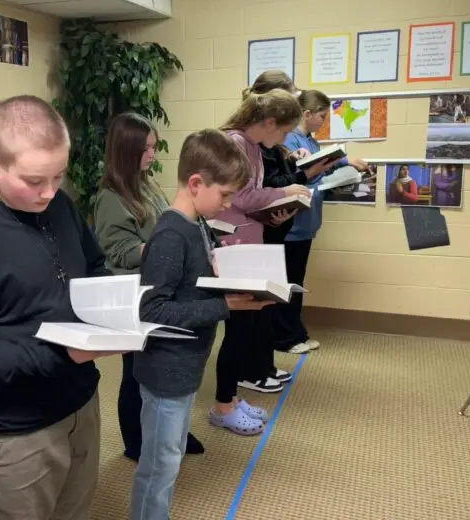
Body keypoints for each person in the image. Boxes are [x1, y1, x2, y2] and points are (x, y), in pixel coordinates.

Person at [0, 95, 121, 520]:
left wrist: (115, 307)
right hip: (13, 434)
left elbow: (91, 264)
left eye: (59, 176)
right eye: (35, 180)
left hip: (79, 404)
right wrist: (61, 353)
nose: (49, 192)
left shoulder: (60, 205)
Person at [130, 129, 273, 520]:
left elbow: (192, 286)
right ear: (196, 183)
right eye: (224, 195)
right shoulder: (170, 235)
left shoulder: (196, 226)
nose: (228, 204)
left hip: (186, 367)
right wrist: (224, 305)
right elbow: (151, 310)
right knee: (159, 466)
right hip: (165, 373)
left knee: (170, 458)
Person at [93, 112, 204, 462]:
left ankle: (172, 432)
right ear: (128, 150)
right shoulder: (111, 196)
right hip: (132, 295)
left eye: (154, 147)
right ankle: (135, 443)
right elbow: (119, 251)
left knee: (159, 370)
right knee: (135, 372)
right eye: (148, 148)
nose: (154, 155)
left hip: (156, 288)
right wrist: (166, 248)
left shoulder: (146, 183)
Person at [209, 89, 309, 439]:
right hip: (233, 242)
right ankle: (223, 405)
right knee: (238, 330)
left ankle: (232, 399)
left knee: (247, 327)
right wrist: (287, 192)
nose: (283, 139)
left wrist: (280, 203)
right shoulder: (236, 143)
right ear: (269, 122)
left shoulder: (251, 146)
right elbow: (241, 196)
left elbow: (251, 196)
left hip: (248, 238)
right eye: (283, 131)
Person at [277, 90, 368, 354]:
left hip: (306, 225)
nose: (324, 121)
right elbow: (300, 176)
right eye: (322, 115)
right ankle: (286, 338)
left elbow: (322, 165)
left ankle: (295, 332)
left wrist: (345, 166)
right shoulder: (291, 141)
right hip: (292, 226)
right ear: (306, 114)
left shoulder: (310, 141)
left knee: (296, 281)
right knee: (288, 283)